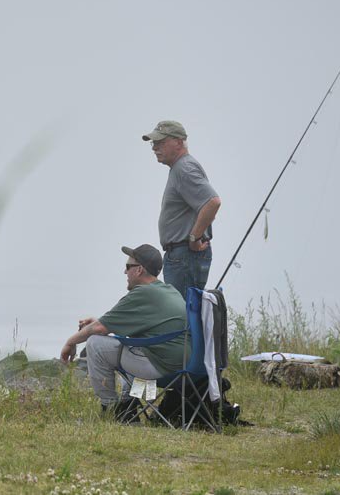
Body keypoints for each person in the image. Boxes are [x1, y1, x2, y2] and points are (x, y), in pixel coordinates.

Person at [59, 245, 187, 420]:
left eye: (128, 267)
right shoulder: (168, 290)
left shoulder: (143, 293)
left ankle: (110, 409)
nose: (124, 272)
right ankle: (128, 407)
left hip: (161, 367)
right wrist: (99, 323)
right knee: (126, 344)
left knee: (95, 344)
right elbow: (107, 325)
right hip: (183, 366)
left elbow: (98, 330)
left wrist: (70, 342)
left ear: (139, 270)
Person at [142, 120, 221, 299]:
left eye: (160, 142)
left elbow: (212, 202)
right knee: (184, 312)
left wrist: (194, 238)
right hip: (182, 255)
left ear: (179, 142)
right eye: (153, 143)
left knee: (181, 315)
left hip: (184, 255)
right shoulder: (181, 167)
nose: (155, 147)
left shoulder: (184, 168)